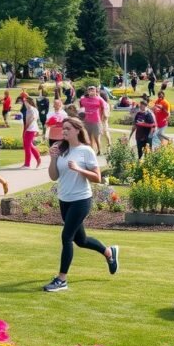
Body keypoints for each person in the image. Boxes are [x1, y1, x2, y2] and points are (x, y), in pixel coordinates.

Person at [43, 117, 119, 292]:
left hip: (81, 200)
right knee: (81, 240)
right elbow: (53, 177)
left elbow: (97, 178)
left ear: (77, 130)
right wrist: (53, 159)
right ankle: (109, 252)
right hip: (64, 200)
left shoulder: (86, 151)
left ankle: (61, 279)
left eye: (68, 128)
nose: (64, 131)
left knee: (66, 237)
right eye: (63, 129)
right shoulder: (60, 150)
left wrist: (79, 169)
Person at [79, 86, 107, 155]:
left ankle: (99, 150)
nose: (91, 91)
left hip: (96, 120)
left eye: (93, 89)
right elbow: (81, 108)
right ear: (87, 91)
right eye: (89, 89)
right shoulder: (83, 99)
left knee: (96, 137)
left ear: (95, 91)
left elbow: (103, 108)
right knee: (88, 137)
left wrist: (103, 116)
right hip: (86, 121)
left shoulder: (99, 99)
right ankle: (91, 151)